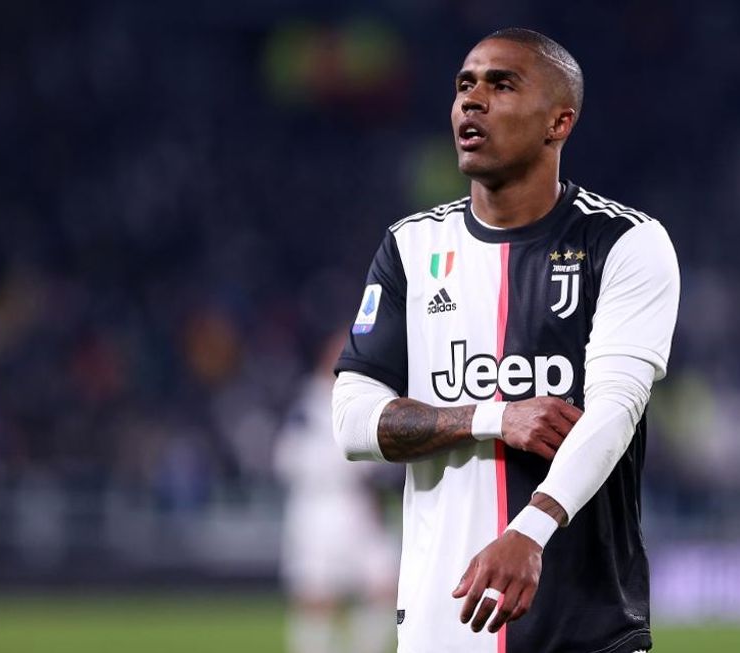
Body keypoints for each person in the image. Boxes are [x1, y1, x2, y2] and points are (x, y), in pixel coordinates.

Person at [332, 27, 680, 653]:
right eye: (465, 85)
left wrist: (531, 530)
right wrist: (493, 416)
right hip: (442, 626)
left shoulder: (626, 243)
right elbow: (352, 423)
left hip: (585, 627)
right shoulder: (411, 247)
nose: (472, 100)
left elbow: (616, 408)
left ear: (558, 123)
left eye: (501, 85)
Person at [275, 328, 398, 653]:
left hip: (359, 505)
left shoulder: (367, 397)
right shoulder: (309, 403)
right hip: (319, 507)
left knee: (386, 584)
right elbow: (286, 457)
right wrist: (346, 464)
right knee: (317, 596)